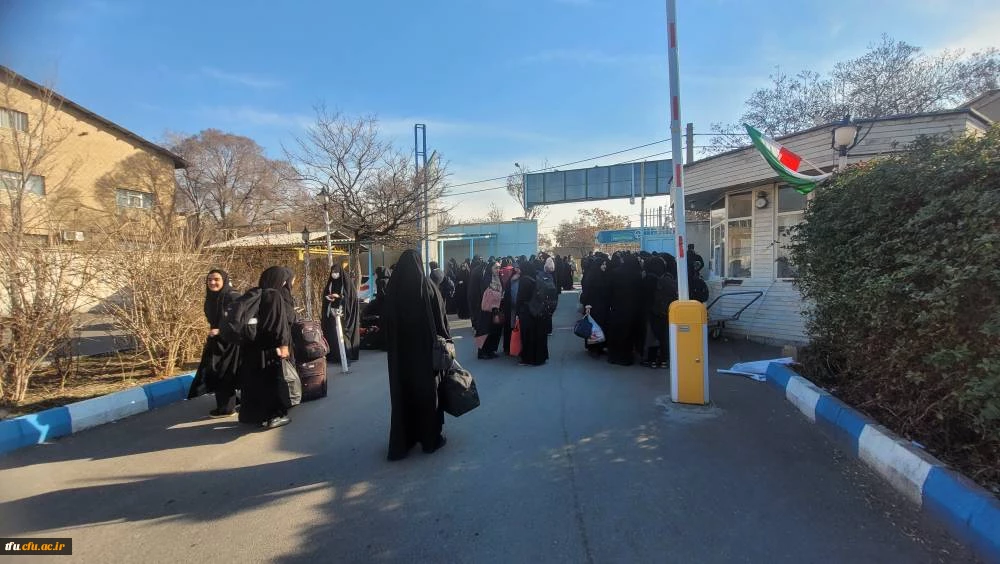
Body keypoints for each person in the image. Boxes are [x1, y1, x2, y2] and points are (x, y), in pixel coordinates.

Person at [384, 249, 450, 461]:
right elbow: (441, 321)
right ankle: (430, 439)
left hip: (401, 358)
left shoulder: (393, 290)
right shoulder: (428, 287)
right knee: (428, 394)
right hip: (425, 356)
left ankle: (404, 440)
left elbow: (386, 324)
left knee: (403, 395)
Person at [238, 266, 296, 430]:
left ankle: (252, 415)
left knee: (253, 382)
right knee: (270, 381)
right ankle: (274, 416)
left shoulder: (254, 293)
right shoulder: (274, 295)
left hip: (251, 347)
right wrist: (283, 344)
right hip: (268, 347)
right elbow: (278, 324)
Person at [189, 269, 242, 417]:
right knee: (218, 372)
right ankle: (233, 401)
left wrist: (221, 330)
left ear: (224, 280)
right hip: (217, 341)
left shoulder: (232, 296)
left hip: (230, 342)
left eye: (216, 279)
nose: (212, 282)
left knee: (223, 373)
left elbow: (241, 318)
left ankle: (226, 408)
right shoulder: (212, 297)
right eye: (209, 280)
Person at [607, 254, 643, 366]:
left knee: (616, 332)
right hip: (632, 309)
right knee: (628, 334)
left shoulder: (614, 272)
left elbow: (610, 290)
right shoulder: (637, 275)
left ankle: (613, 356)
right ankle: (626, 358)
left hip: (617, 307)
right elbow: (640, 293)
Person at [322, 262, 360, 363]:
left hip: (344, 314)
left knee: (342, 334)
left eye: (336, 272)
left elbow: (350, 298)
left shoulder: (346, 281)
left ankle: (346, 356)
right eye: (332, 272)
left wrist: (339, 296)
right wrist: (328, 297)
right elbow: (325, 294)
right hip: (332, 313)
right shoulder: (331, 283)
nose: (334, 274)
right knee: (332, 334)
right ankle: (335, 356)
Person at [516, 261, 550, 366]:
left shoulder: (524, 280)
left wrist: (517, 311)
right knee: (538, 335)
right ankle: (540, 357)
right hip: (538, 310)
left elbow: (520, 298)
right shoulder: (537, 277)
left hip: (527, 311)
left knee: (527, 336)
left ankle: (528, 358)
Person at [580, 256, 612, 357]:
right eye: (602, 264)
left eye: (605, 264)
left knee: (601, 326)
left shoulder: (604, 276)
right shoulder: (591, 276)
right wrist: (587, 305)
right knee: (594, 327)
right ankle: (593, 348)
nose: (604, 266)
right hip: (593, 306)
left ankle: (600, 346)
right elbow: (587, 292)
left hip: (603, 306)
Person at [471, 260, 504, 359]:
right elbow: (486, 293)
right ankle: (482, 352)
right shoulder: (487, 278)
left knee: (495, 330)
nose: (498, 270)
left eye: (499, 268)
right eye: (495, 268)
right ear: (490, 269)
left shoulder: (499, 278)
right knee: (485, 331)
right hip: (486, 309)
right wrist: (498, 295)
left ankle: (491, 350)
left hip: (496, 309)